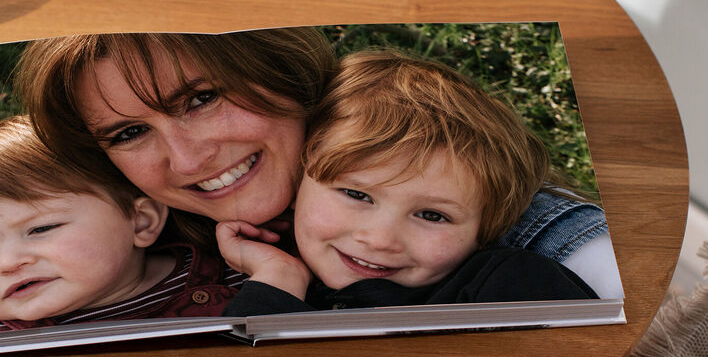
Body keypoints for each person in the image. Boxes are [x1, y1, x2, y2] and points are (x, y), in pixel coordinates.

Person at [15, 27, 618, 295]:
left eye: (202, 99)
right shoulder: (128, 239)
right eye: (127, 133)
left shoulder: (529, 236)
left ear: (280, 72)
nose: (187, 157)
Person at [216, 50, 599, 315]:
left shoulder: (508, 286)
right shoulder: (264, 283)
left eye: (432, 215)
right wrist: (278, 280)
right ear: (298, 185)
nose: (381, 239)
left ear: (485, 231)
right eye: (356, 194)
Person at [0, 116, 246, 343]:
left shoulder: (235, 281)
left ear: (141, 222)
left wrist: (275, 282)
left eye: (40, 228)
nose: (8, 263)